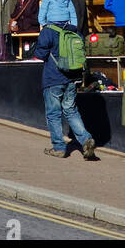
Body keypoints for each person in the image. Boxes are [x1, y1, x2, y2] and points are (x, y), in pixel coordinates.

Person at [33, 13, 96, 160]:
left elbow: (40, 54)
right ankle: (86, 139)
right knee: (71, 111)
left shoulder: (48, 31)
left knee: (54, 114)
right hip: (72, 78)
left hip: (53, 79)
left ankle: (59, 148)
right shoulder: (75, 31)